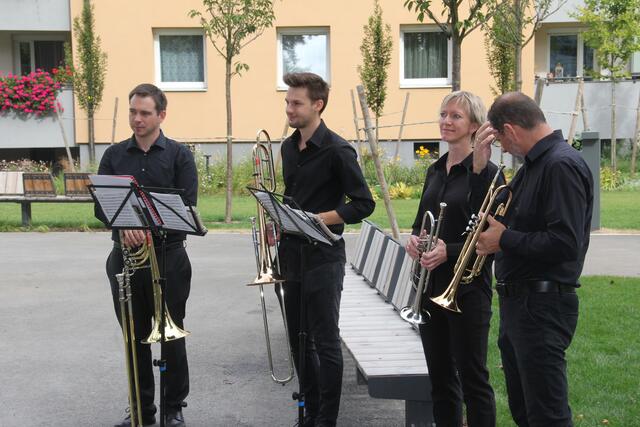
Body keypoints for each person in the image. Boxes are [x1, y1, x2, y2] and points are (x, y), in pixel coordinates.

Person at [476, 92, 594, 427]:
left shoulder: (560, 165)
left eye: (500, 140)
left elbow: (566, 243)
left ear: (510, 130)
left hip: (542, 306)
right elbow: (498, 215)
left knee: (547, 416)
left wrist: (504, 239)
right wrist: (479, 167)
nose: (503, 148)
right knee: (526, 412)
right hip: (522, 305)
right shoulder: (534, 166)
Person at [95, 83, 197, 427]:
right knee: (133, 336)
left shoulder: (180, 155)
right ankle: (140, 408)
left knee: (171, 335)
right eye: (132, 112)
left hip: (169, 257)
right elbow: (101, 206)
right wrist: (125, 224)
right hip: (124, 258)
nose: (136, 119)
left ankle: (173, 407)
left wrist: (148, 228)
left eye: (144, 113)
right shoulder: (113, 155)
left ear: (161, 115)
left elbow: (187, 206)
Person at [277, 72, 375, 427]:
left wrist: (321, 219)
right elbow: (293, 197)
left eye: (296, 103)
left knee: (326, 342)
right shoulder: (288, 148)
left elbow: (363, 204)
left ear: (317, 105)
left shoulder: (338, 150)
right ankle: (309, 412)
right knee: (298, 341)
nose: (289, 108)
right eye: (287, 102)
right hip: (291, 255)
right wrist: (280, 219)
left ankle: (326, 420)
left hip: (324, 256)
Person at [405, 91, 499, 427]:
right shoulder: (435, 169)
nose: (446, 121)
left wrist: (450, 250)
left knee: (473, 380)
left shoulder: (488, 173)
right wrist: (414, 240)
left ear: (474, 125)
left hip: (468, 291)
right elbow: (422, 220)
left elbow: (490, 236)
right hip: (431, 286)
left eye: (456, 116)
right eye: (444, 114)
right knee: (441, 380)